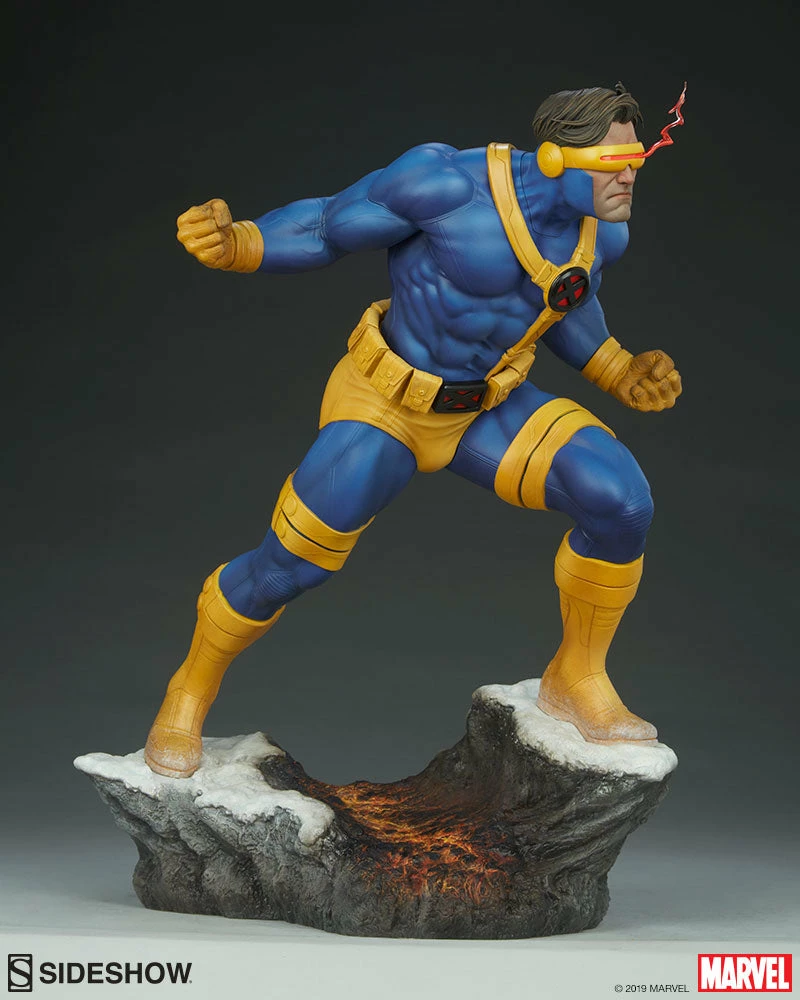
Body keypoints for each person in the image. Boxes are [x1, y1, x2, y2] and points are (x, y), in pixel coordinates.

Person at [145, 83, 682, 779]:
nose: (630, 175)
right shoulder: (447, 184)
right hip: (387, 401)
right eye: (615, 161)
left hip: (485, 407)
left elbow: (562, 298)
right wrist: (239, 242)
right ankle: (188, 690)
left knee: (620, 501)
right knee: (287, 567)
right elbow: (326, 226)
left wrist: (617, 368)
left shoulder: (602, 230)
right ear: (554, 157)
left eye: (637, 159)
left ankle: (577, 675)